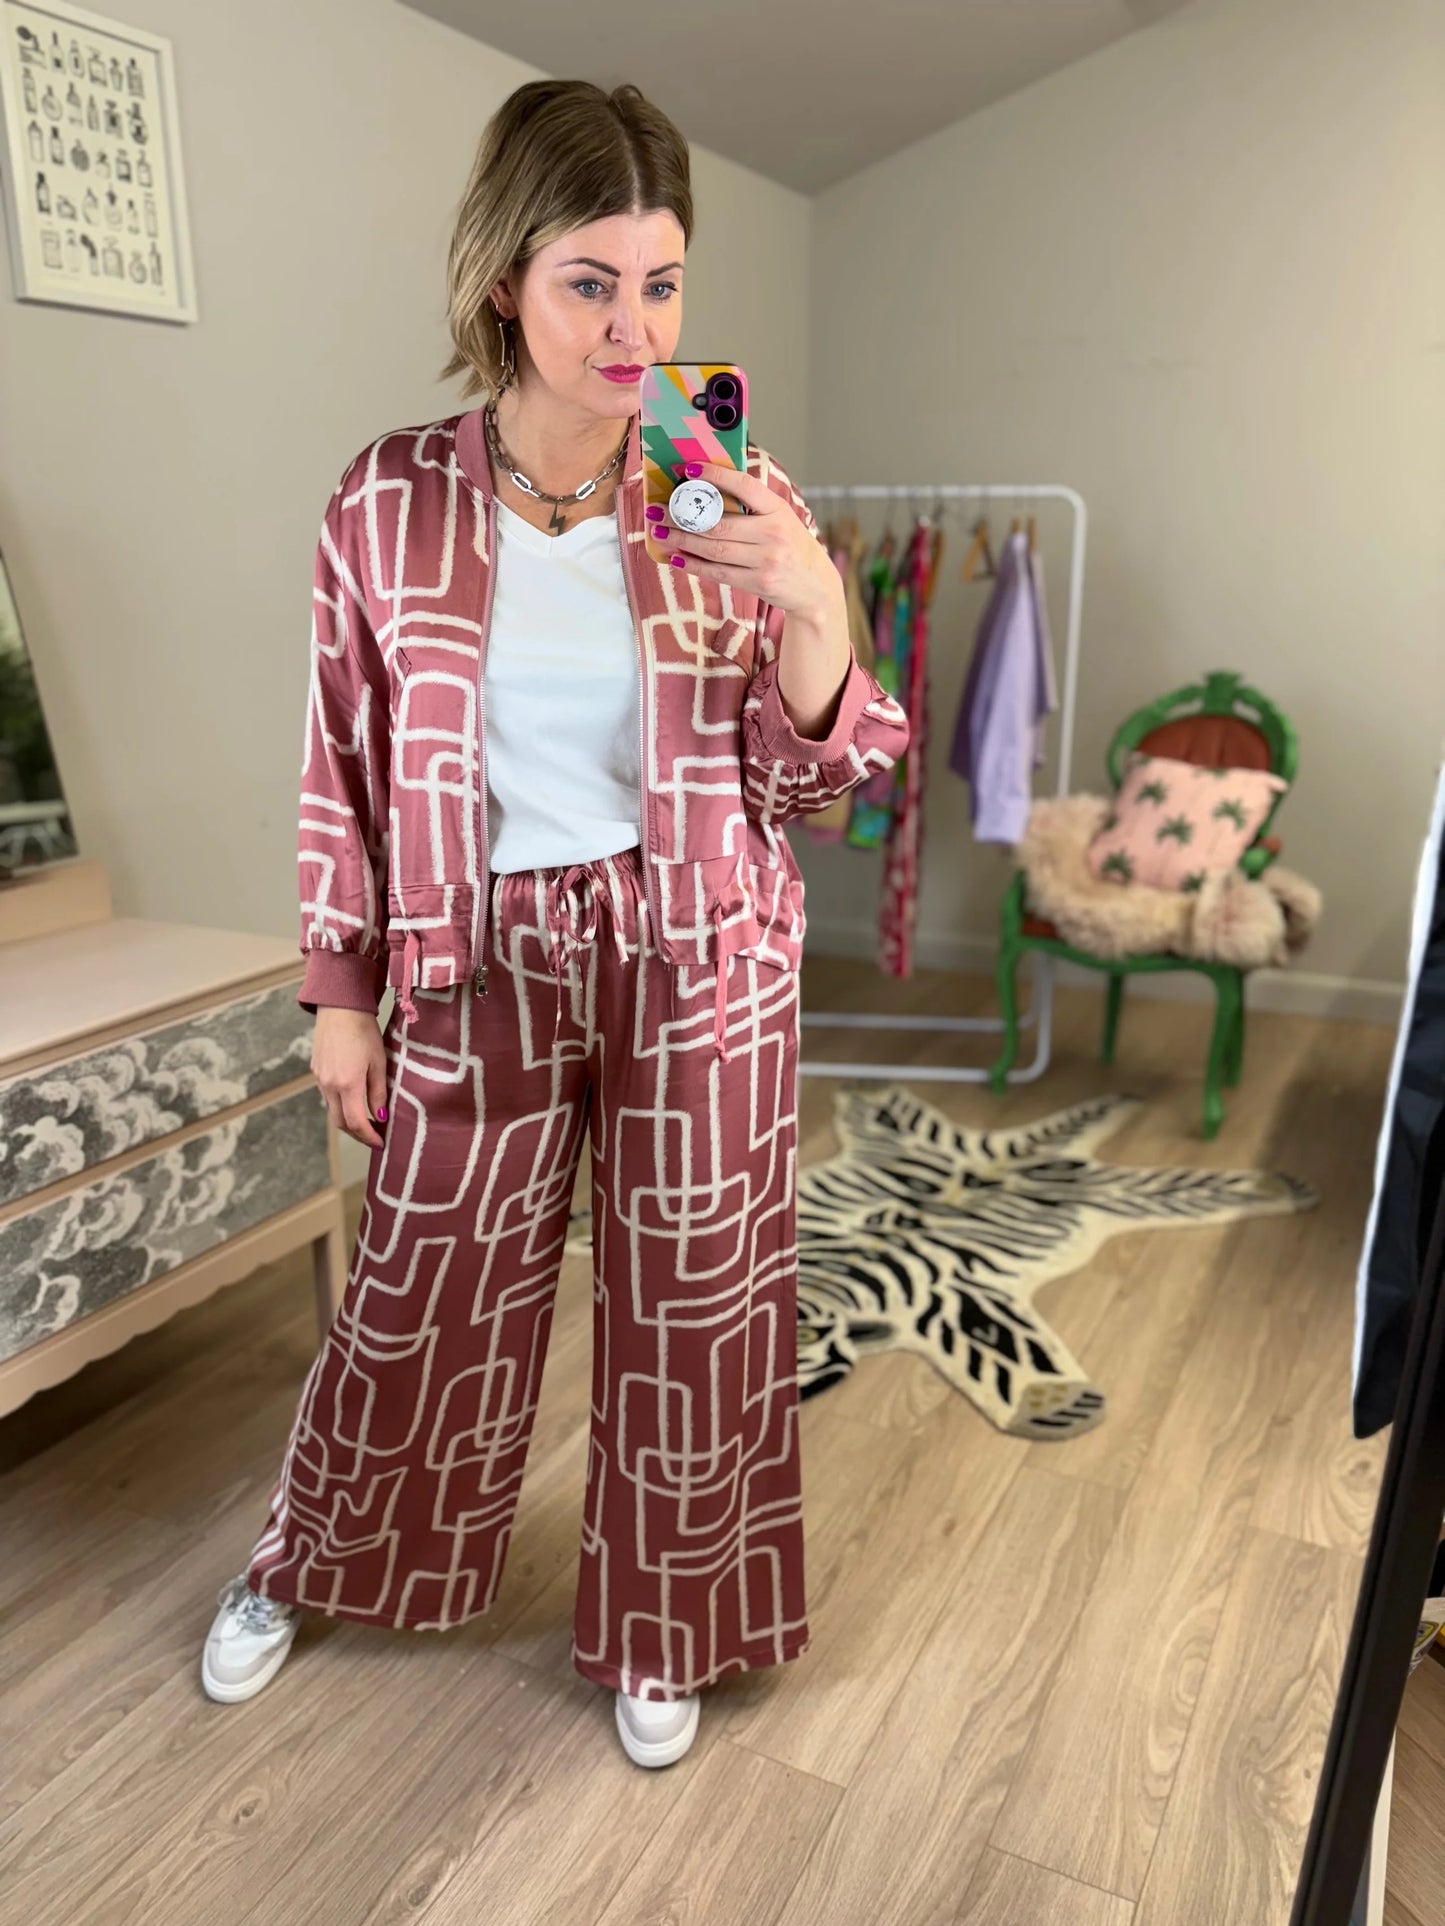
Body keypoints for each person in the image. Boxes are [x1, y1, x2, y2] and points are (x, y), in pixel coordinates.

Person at [199, 77, 908, 1769]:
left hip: (702, 951)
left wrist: (808, 596)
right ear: (504, 275)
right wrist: (340, 994)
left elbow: (820, 784)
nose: (630, 324)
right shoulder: (384, 505)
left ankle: (670, 1618)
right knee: (412, 1281)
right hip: (472, 950)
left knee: (700, 1297)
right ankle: (311, 1556)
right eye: (591, 280)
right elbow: (343, 764)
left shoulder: (725, 487)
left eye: (660, 282)